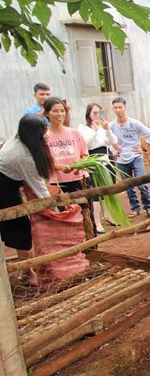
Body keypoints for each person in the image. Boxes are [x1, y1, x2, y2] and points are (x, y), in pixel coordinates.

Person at [0, 114, 54, 258]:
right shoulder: (24, 156)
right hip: (3, 188)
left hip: (9, 185)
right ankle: (27, 271)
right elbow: (39, 187)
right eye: (44, 131)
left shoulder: (19, 138)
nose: (46, 134)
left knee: (17, 226)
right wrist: (55, 208)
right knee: (18, 226)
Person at [109, 97, 150, 218]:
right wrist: (115, 151)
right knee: (128, 185)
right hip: (121, 160)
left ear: (125, 108)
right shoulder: (111, 126)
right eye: (115, 107)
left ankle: (148, 207)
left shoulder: (134, 123)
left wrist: (144, 148)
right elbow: (107, 140)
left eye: (120, 107)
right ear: (113, 109)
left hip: (136, 156)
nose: (118, 110)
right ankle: (135, 208)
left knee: (142, 182)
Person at [78, 103, 118, 233]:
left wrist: (107, 129)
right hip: (94, 160)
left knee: (108, 188)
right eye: (94, 112)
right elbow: (84, 143)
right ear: (88, 114)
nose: (97, 115)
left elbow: (112, 141)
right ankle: (97, 221)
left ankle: (108, 215)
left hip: (107, 158)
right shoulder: (83, 128)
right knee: (95, 191)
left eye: (99, 112)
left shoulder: (104, 126)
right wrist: (95, 131)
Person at [44, 97, 89, 193]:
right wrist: (59, 167)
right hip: (58, 183)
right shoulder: (44, 137)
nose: (59, 114)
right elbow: (43, 162)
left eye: (62, 111)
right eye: (55, 111)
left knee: (86, 207)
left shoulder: (75, 133)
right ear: (47, 113)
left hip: (80, 179)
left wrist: (79, 166)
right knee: (63, 208)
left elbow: (85, 155)